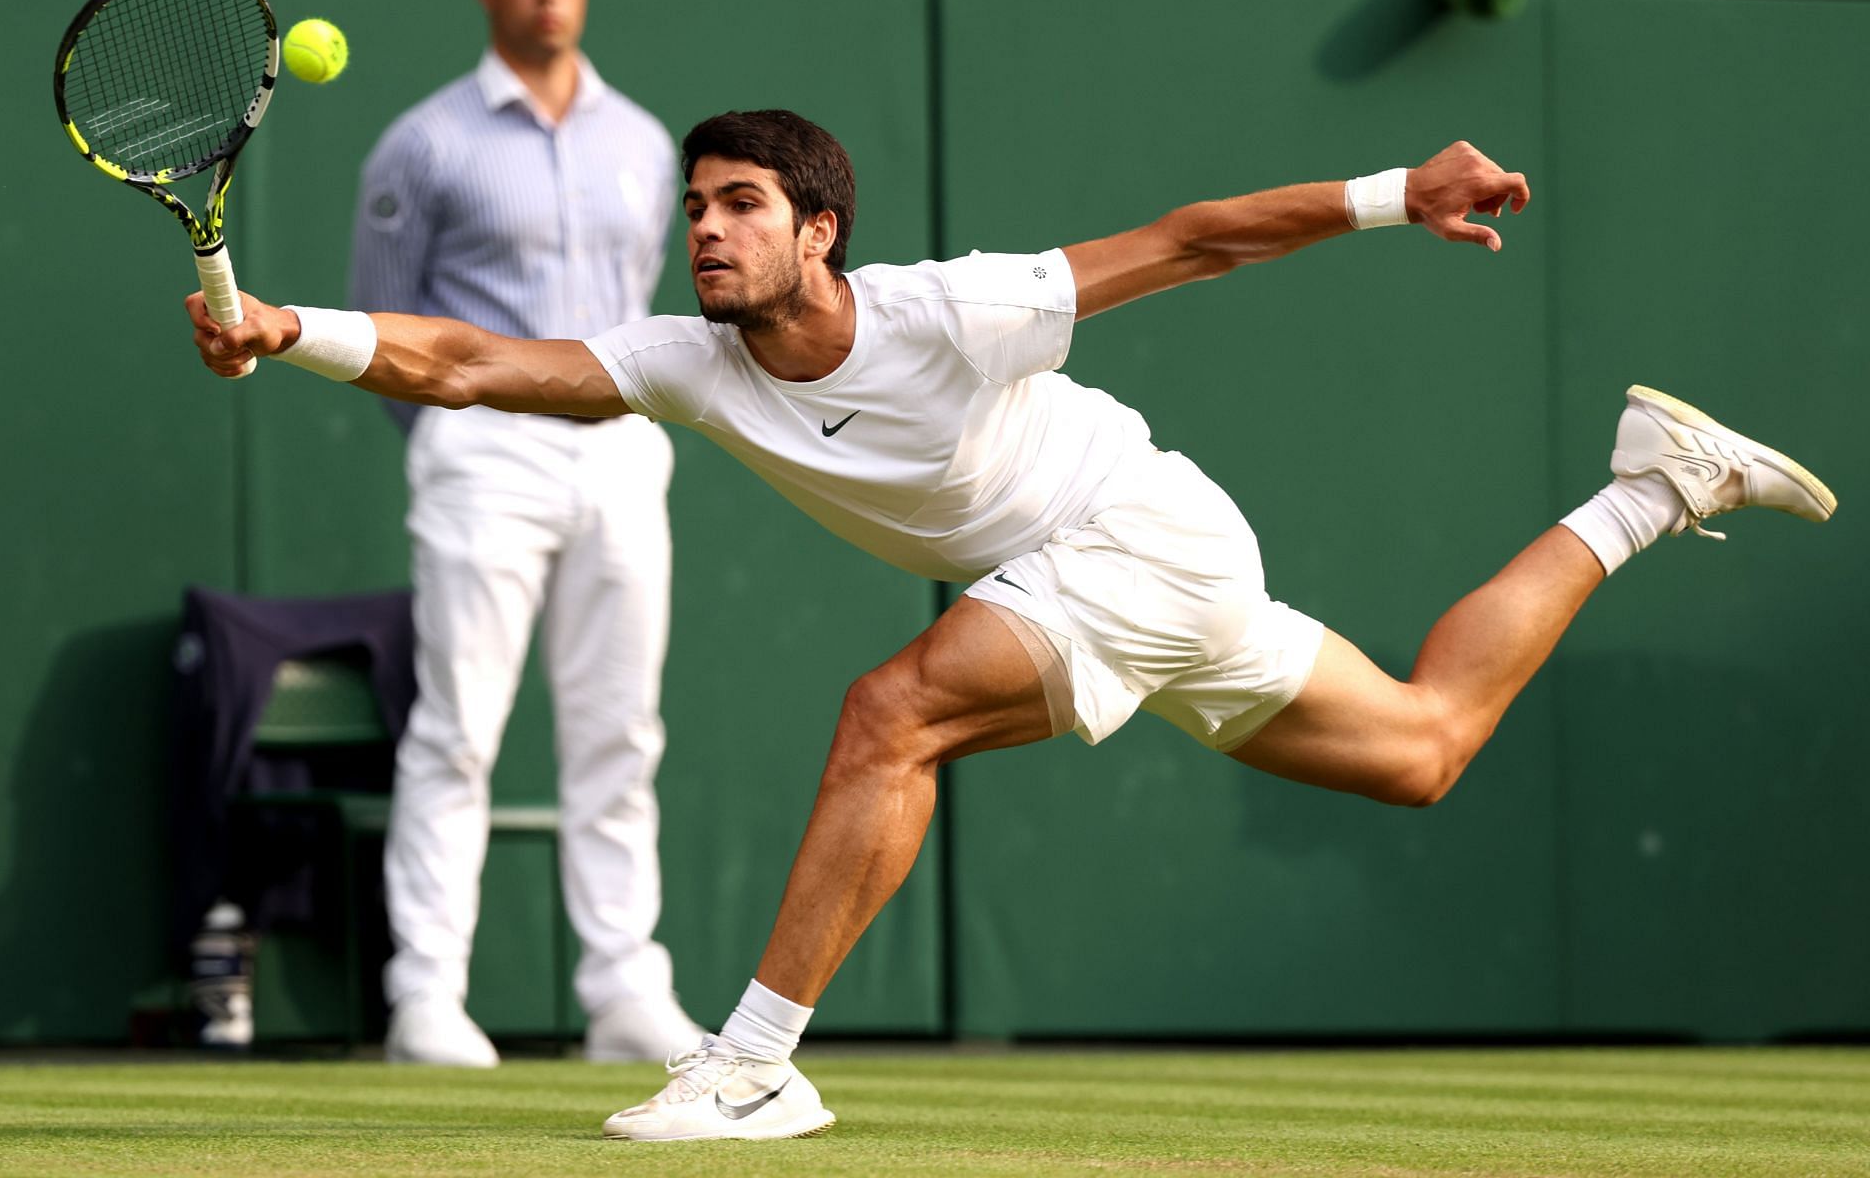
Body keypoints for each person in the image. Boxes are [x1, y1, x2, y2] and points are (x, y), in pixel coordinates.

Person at [190, 110, 1834, 1137]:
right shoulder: (689, 362)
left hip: (1131, 532)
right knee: (1424, 744)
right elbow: (474, 364)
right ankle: (1649, 487)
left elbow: (1193, 243)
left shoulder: (952, 310)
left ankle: (757, 1061)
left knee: (886, 713)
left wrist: (1405, 189)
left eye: (741, 203)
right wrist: (287, 326)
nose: (705, 227)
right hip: (1132, 583)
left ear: (818, 229)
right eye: (694, 204)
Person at [345, 0, 700, 1067]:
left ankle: (622, 991)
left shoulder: (648, 143)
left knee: (621, 730)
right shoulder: (424, 142)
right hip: (483, 448)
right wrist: (455, 435)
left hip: (619, 441)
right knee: (458, 730)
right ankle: (426, 998)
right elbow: (390, 324)